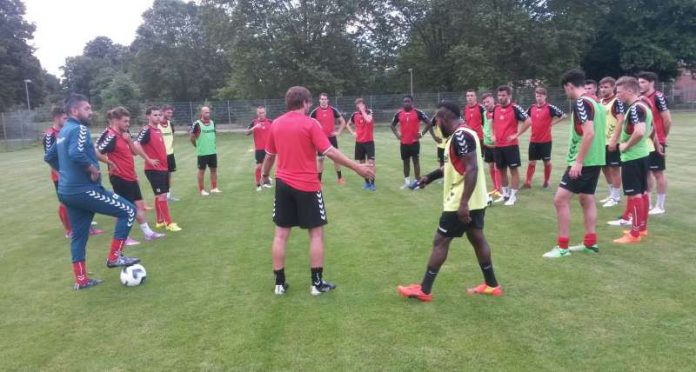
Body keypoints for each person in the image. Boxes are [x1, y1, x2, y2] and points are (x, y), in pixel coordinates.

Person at [260, 86, 375, 296]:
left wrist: (265, 176)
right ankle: (316, 284)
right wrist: (358, 167)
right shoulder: (310, 124)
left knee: (280, 235)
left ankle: (279, 284)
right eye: (309, 102)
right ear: (304, 102)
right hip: (307, 186)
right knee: (316, 235)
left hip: (283, 185)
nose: (310, 105)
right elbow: (330, 151)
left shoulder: (276, 124)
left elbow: (269, 156)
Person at [397, 101, 502, 302]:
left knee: (441, 241)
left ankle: (424, 290)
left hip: (462, 201)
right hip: (476, 200)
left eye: (437, 123)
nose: (437, 127)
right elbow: (453, 167)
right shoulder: (461, 135)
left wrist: (463, 204)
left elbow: (472, 169)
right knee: (477, 238)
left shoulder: (461, 135)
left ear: (443, 119)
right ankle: (492, 285)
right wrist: (429, 177)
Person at [44, 94, 140, 290]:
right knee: (129, 210)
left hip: (67, 192)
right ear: (74, 111)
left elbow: (50, 156)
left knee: (79, 235)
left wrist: (63, 173)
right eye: (87, 108)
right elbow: (76, 153)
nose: (91, 111)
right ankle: (115, 257)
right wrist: (93, 169)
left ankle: (81, 280)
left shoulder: (63, 131)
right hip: (84, 190)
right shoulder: (79, 128)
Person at [543, 69, 606, 258]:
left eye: (565, 89)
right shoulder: (595, 101)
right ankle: (590, 243)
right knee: (586, 199)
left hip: (584, 161)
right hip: (596, 159)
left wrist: (578, 162)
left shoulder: (581, 102)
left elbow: (589, 133)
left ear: (570, 85)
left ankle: (562, 247)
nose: (566, 93)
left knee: (560, 200)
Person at [95, 107, 166, 245]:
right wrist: (109, 162)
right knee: (123, 209)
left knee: (139, 206)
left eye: (128, 121)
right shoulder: (111, 135)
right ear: (116, 121)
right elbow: (96, 151)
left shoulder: (124, 133)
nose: (128, 124)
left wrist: (128, 141)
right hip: (120, 177)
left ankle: (148, 233)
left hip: (130, 176)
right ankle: (123, 238)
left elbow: (134, 152)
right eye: (125, 121)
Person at [613, 76, 653, 244]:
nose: (617, 94)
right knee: (643, 192)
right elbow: (649, 129)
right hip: (642, 155)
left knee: (635, 194)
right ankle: (642, 228)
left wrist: (626, 146)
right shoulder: (643, 106)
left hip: (633, 157)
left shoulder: (636, 108)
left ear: (629, 91)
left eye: (619, 91)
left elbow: (639, 131)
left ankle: (634, 234)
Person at [134, 107, 182, 232]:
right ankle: (169, 223)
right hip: (153, 169)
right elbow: (136, 144)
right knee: (162, 196)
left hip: (163, 168)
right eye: (155, 115)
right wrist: (148, 159)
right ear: (148, 116)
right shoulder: (146, 130)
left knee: (159, 195)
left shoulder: (158, 130)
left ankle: (160, 221)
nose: (158, 117)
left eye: (159, 115)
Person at [491, 85, 531, 206]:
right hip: (498, 145)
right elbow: (493, 122)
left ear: (509, 96)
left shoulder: (515, 108)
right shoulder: (496, 108)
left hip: (511, 146)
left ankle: (513, 197)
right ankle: (505, 195)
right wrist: (493, 134)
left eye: (503, 95)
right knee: (501, 170)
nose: (500, 98)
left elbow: (528, 121)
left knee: (513, 171)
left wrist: (516, 134)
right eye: (499, 95)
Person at [638, 71, 671, 215]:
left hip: (657, 141)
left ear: (651, 82)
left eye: (643, 82)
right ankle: (649, 203)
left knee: (658, 172)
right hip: (644, 142)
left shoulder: (658, 97)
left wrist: (663, 136)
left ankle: (660, 205)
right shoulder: (640, 98)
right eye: (639, 82)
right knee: (646, 172)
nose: (640, 85)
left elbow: (667, 120)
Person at [524, 87, 566, 188]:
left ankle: (547, 181)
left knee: (546, 162)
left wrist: (552, 124)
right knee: (531, 162)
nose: (539, 98)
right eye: (537, 96)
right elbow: (524, 117)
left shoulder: (550, 108)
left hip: (546, 141)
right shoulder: (532, 108)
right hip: (533, 140)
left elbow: (563, 115)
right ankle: (528, 182)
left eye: (541, 96)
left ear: (545, 96)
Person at [391, 95, 431, 189]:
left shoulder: (418, 113)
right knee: (405, 162)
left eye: (408, 101)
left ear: (412, 103)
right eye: (405, 101)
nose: (406, 103)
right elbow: (392, 125)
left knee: (416, 162)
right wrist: (397, 135)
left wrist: (422, 133)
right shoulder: (399, 113)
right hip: (404, 143)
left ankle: (417, 182)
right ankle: (407, 182)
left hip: (414, 142)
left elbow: (429, 123)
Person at [598, 77, 625, 208]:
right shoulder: (601, 101)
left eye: (606, 87)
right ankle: (611, 194)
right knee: (604, 168)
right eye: (601, 87)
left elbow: (621, 120)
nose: (603, 89)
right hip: (601, 141)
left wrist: (614, 139)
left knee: (614, 169)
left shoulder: (617, 102)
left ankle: (616, 197)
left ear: (613, 87)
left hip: (612, 141)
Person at [310, 93, 347, 184]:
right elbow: (308, 124)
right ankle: (319, 180)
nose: (323, 100)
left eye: (325, 99)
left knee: (336, 158)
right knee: (320, 159)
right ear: (319, 100)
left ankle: (340, 178)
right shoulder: (315, 112)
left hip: (332, 138)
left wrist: (338, 132)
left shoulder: (333, 110)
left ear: (327, 100)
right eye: (322, 99)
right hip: (321, 140)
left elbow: (343, 122)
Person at [345, 98, 376, 191]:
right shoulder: (354, 115)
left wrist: (363, 111)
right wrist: (353, 133)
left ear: (364, 104)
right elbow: (348, 124)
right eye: (358, 105)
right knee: (362, 164)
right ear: (356, 106)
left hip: (369, 142)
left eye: (361, 104)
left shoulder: (369, 112)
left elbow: (368, 120)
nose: (360, 106)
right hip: (359, 143)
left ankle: (372, 183)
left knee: (371, 163)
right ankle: (367, 183)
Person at [190, 106, 221, 195]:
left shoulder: (212, 123)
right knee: (201, 171)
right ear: (201, 113)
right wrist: (198, 146)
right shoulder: (197, 124)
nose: (208, 114)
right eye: (206, 112)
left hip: (212, 152)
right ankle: (202, 190)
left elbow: (214, 134)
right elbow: (192, 138)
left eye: (209, 112)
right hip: (202, 153)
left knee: (214, 170)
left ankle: (214, 188)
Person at [246, 105, 273, 191]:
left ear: (265, 113)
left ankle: (266, 181)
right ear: (257, 113)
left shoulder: (270, 122)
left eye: (263, 112)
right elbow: (246, 133)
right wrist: (254, 128)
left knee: (267, 166)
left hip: (269, 148)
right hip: (259, 149)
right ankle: (258, 185)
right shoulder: (254, 122)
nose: (261, 114)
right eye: (259, 113)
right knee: (259, 166)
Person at [481, 93, 502, 198]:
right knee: (490, 166)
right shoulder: (484, 113)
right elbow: (484, 126)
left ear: (493, 100)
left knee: (497, 167)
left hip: (496, 144)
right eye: (484, 102)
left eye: (488, 101)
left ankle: (499, 188)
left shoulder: (498, 111)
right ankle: (495, 187)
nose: (486, 104)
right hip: (487, 144)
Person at [159, 105, 179, 201]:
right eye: (168, 112)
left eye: (171, 113)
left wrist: (170, 147)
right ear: (162, 112)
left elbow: (172, 136)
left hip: (170, 154)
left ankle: (169, 195)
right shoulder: (157, 125)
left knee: (169, 175)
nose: (170, 114)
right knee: (162, 176)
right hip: (160, 155)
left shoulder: (170, 124)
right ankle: (162, 196)